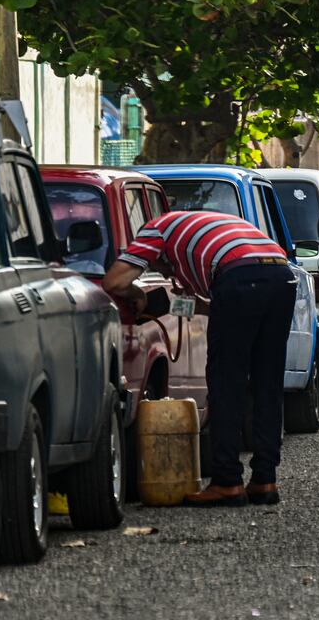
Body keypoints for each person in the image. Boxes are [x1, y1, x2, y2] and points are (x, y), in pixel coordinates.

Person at [101, 211, 296, 507]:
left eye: (161, 269)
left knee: (225, 383)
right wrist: (172, 303)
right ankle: (264, 481)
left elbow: (114, 282)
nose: (167, 276)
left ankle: (227, 483)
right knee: (267, 383)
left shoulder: (157, 229)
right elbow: (218, 307)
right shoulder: (205, 228)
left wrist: (137, 294)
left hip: (238, 278)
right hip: (281, 276)